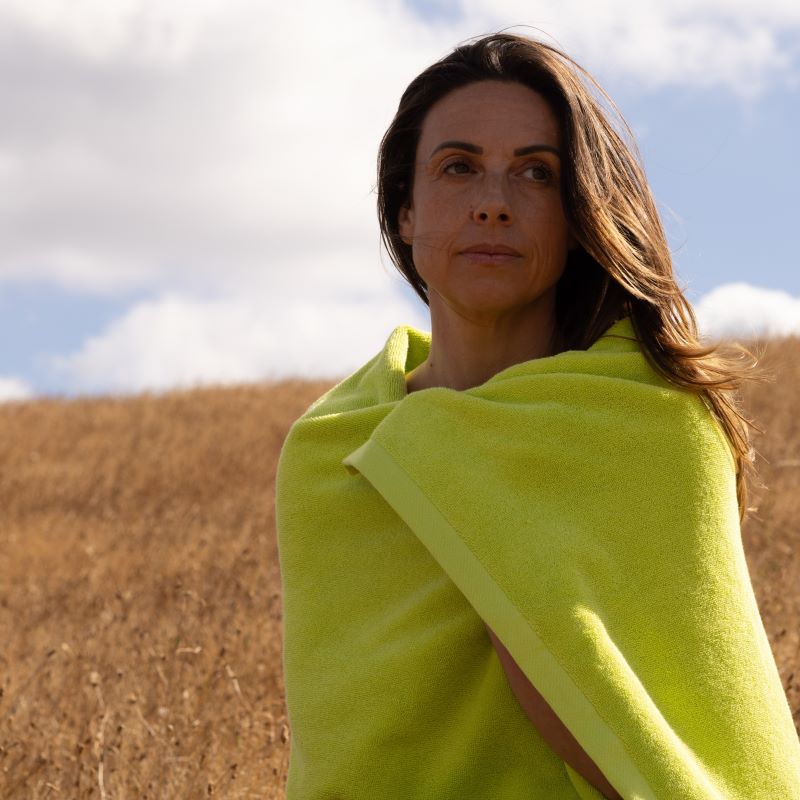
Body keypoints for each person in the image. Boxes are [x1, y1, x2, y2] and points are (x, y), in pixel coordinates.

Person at [275, 33, 800, 799]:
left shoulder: (649, 425)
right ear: (407, 211)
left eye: (536, 173)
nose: (493, 202)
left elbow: (682, 736)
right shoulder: (332, 453)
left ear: (578, 213)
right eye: (459, 168)